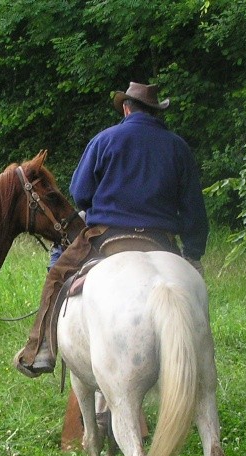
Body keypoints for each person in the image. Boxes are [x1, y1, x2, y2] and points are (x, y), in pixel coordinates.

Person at [14, 82, 209, 378]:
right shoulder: (178, 146)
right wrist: (193, 255)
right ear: (156, 112)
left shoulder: (104, 140)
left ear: (127, 108)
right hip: (161, 241)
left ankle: (40, 350)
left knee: (58, 275)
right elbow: (194, 210)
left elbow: (80, 194)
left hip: (107, 237)